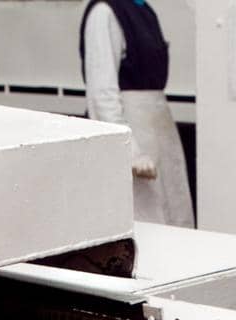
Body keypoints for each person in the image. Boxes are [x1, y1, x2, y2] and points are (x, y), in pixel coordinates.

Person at [80, 0, 195, 227]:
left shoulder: (144, 10)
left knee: (173, 215)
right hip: (132, 130)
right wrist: (130, 151)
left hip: (158, 128)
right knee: (143, 220)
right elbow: (102, 92)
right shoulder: (104, 12)